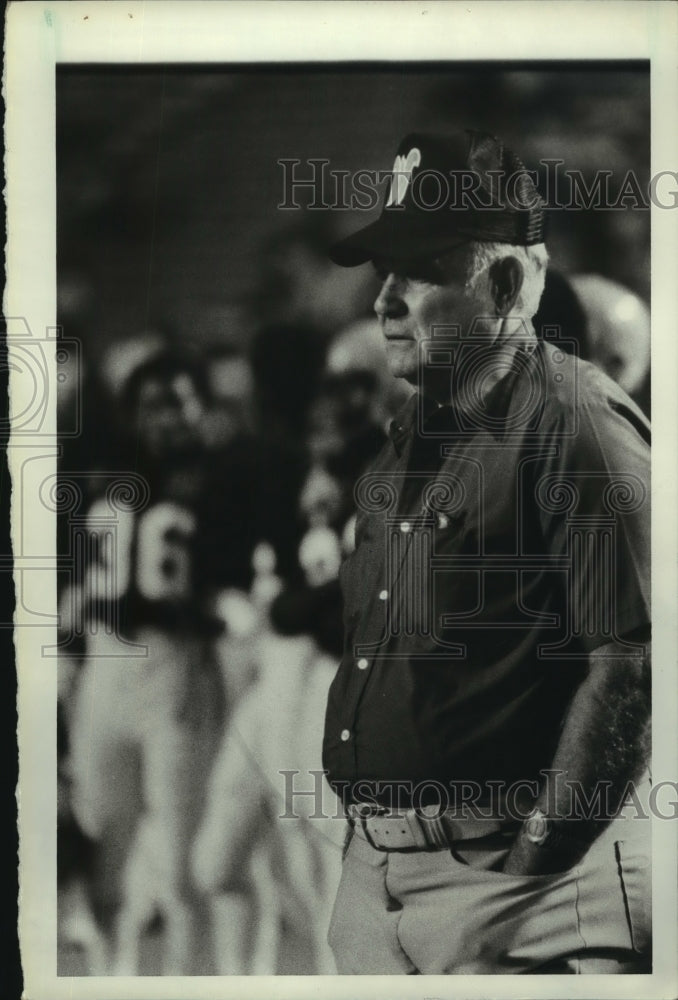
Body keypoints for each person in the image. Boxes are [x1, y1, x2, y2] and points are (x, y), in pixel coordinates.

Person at [321, 130, 651, 974]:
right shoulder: (407, 433)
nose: (384, 301)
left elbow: (632, 663)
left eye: (418, 271)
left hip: (510, 885)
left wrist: (532, 863)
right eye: (381, 275)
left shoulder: (574, 424)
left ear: (505, 282)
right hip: (379, 875)